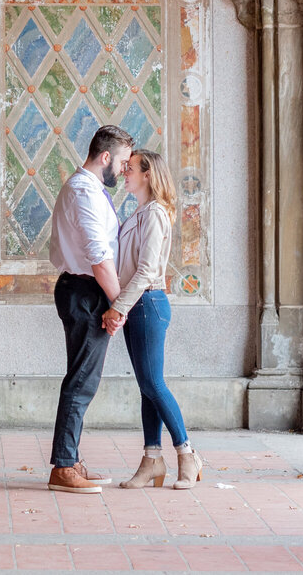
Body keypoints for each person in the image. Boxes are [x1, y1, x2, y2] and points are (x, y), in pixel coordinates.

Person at [104, 148, 201, 489]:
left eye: (129, 169)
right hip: (137, 306)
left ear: (148, 174)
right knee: (147, 386)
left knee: (154, 384)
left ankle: (187, 454)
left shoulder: (156, 213)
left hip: (147, 304)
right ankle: (152, 460)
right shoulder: (139, 213)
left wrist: (119, 307)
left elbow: (145, 271)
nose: (124, 174)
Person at [45, 124, 135, 494]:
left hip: (85, 290)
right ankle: (63, 467)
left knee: (83, 378)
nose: (126, 170)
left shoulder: (88, 189)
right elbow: (99, 256)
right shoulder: (84, 191)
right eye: (124, 162)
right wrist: (120, 304)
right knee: (81, 381)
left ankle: (71, 459)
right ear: (105, 157)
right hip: (86, 292)